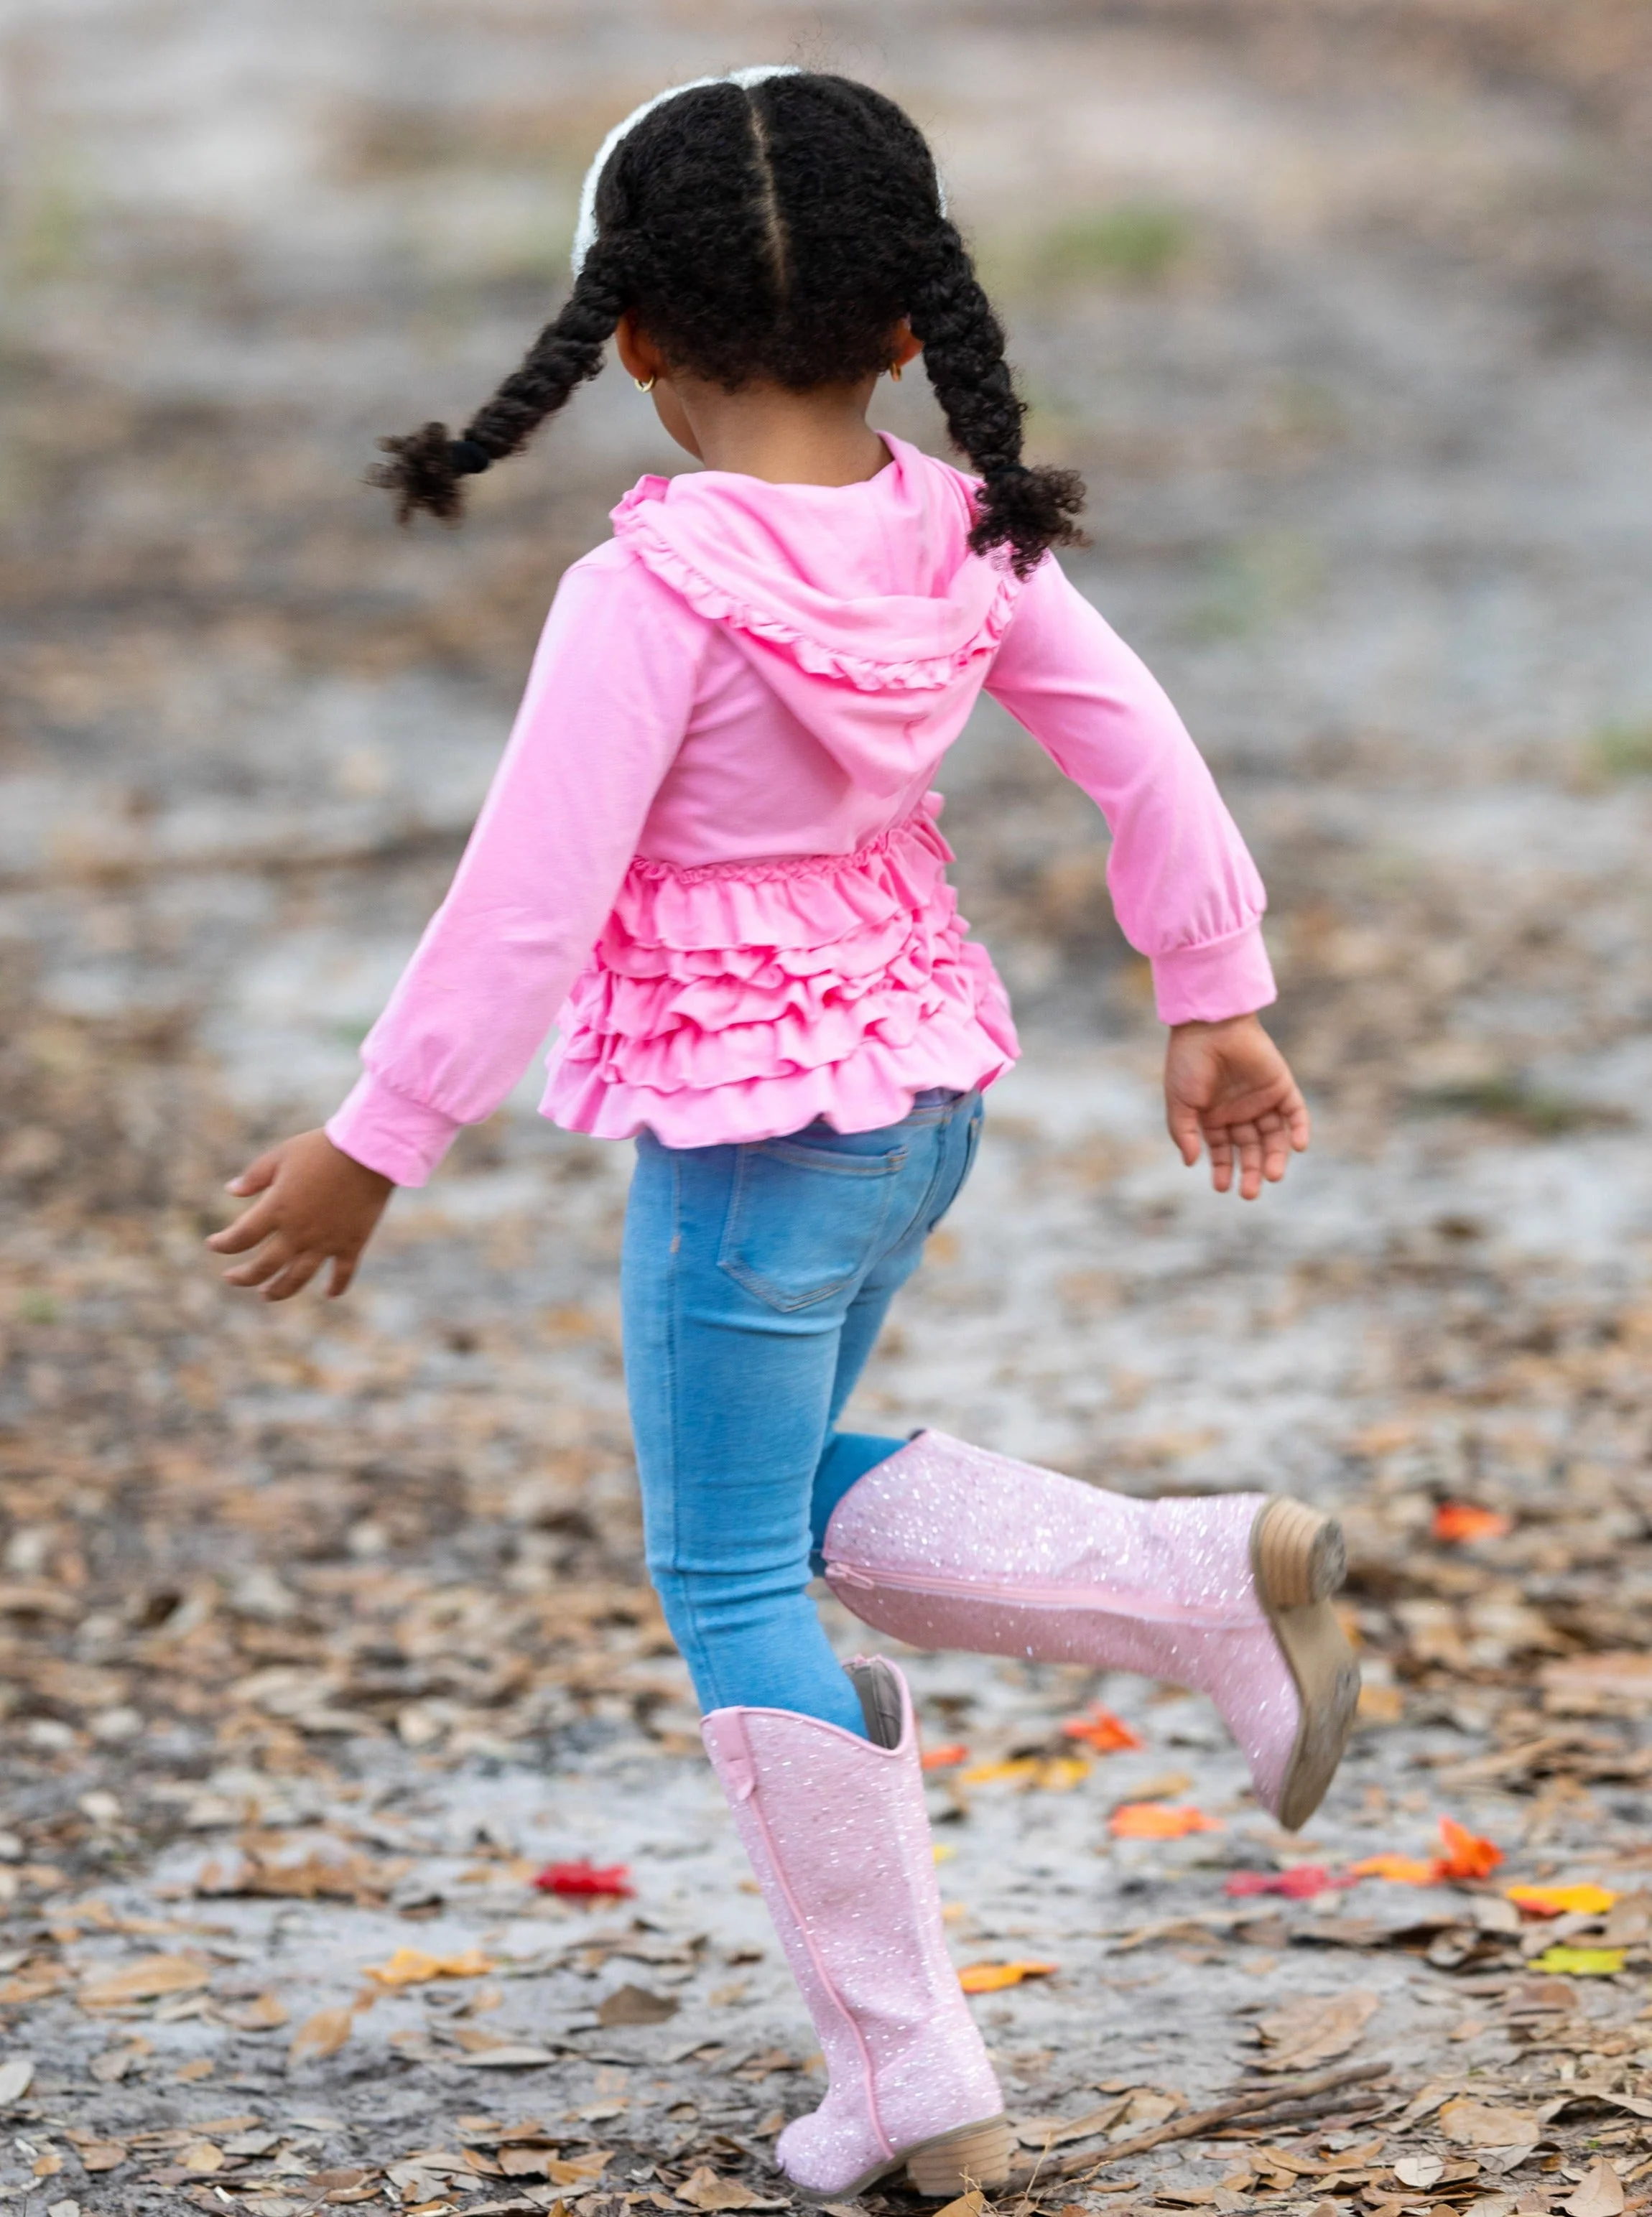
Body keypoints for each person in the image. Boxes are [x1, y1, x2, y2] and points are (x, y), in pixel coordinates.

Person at [206, 68, 1358, 2200]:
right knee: (782, 1508)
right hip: (917, 1099)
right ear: (912, 321)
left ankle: (911, 2070)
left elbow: (523, 902)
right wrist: (1212, 990)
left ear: (626, 335)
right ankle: (1195, 1582)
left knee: (722, 1562)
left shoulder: (648, 595)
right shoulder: (958, 530)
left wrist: (381, 1135)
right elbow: (1143, 750)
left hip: (748, 1142)